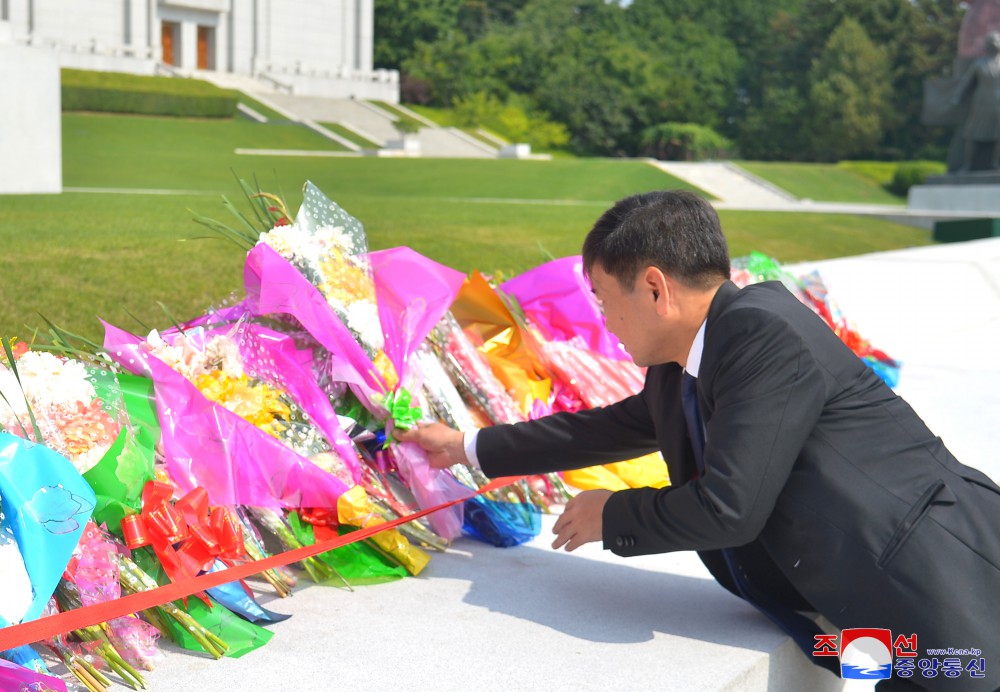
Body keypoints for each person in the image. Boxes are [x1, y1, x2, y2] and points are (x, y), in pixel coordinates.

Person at [399, 190, 1000, 692]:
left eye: (606, 300)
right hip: (885, 611)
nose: (605, 319)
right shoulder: (685, 359)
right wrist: (465, 447)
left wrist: (615, 512)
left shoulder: (762, 333)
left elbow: (729, 507)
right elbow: (609, 428)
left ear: (656, 289)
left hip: (944, 585)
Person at [954, 31, 1000, 171]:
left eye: (996, 41)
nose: (994, 43)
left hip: (998, 103)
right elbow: (966, 82)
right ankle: (967, 165)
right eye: (991, 41)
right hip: (981, 103)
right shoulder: (979, 63)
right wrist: (957, 96)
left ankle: (995, 163)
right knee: (972, 133)